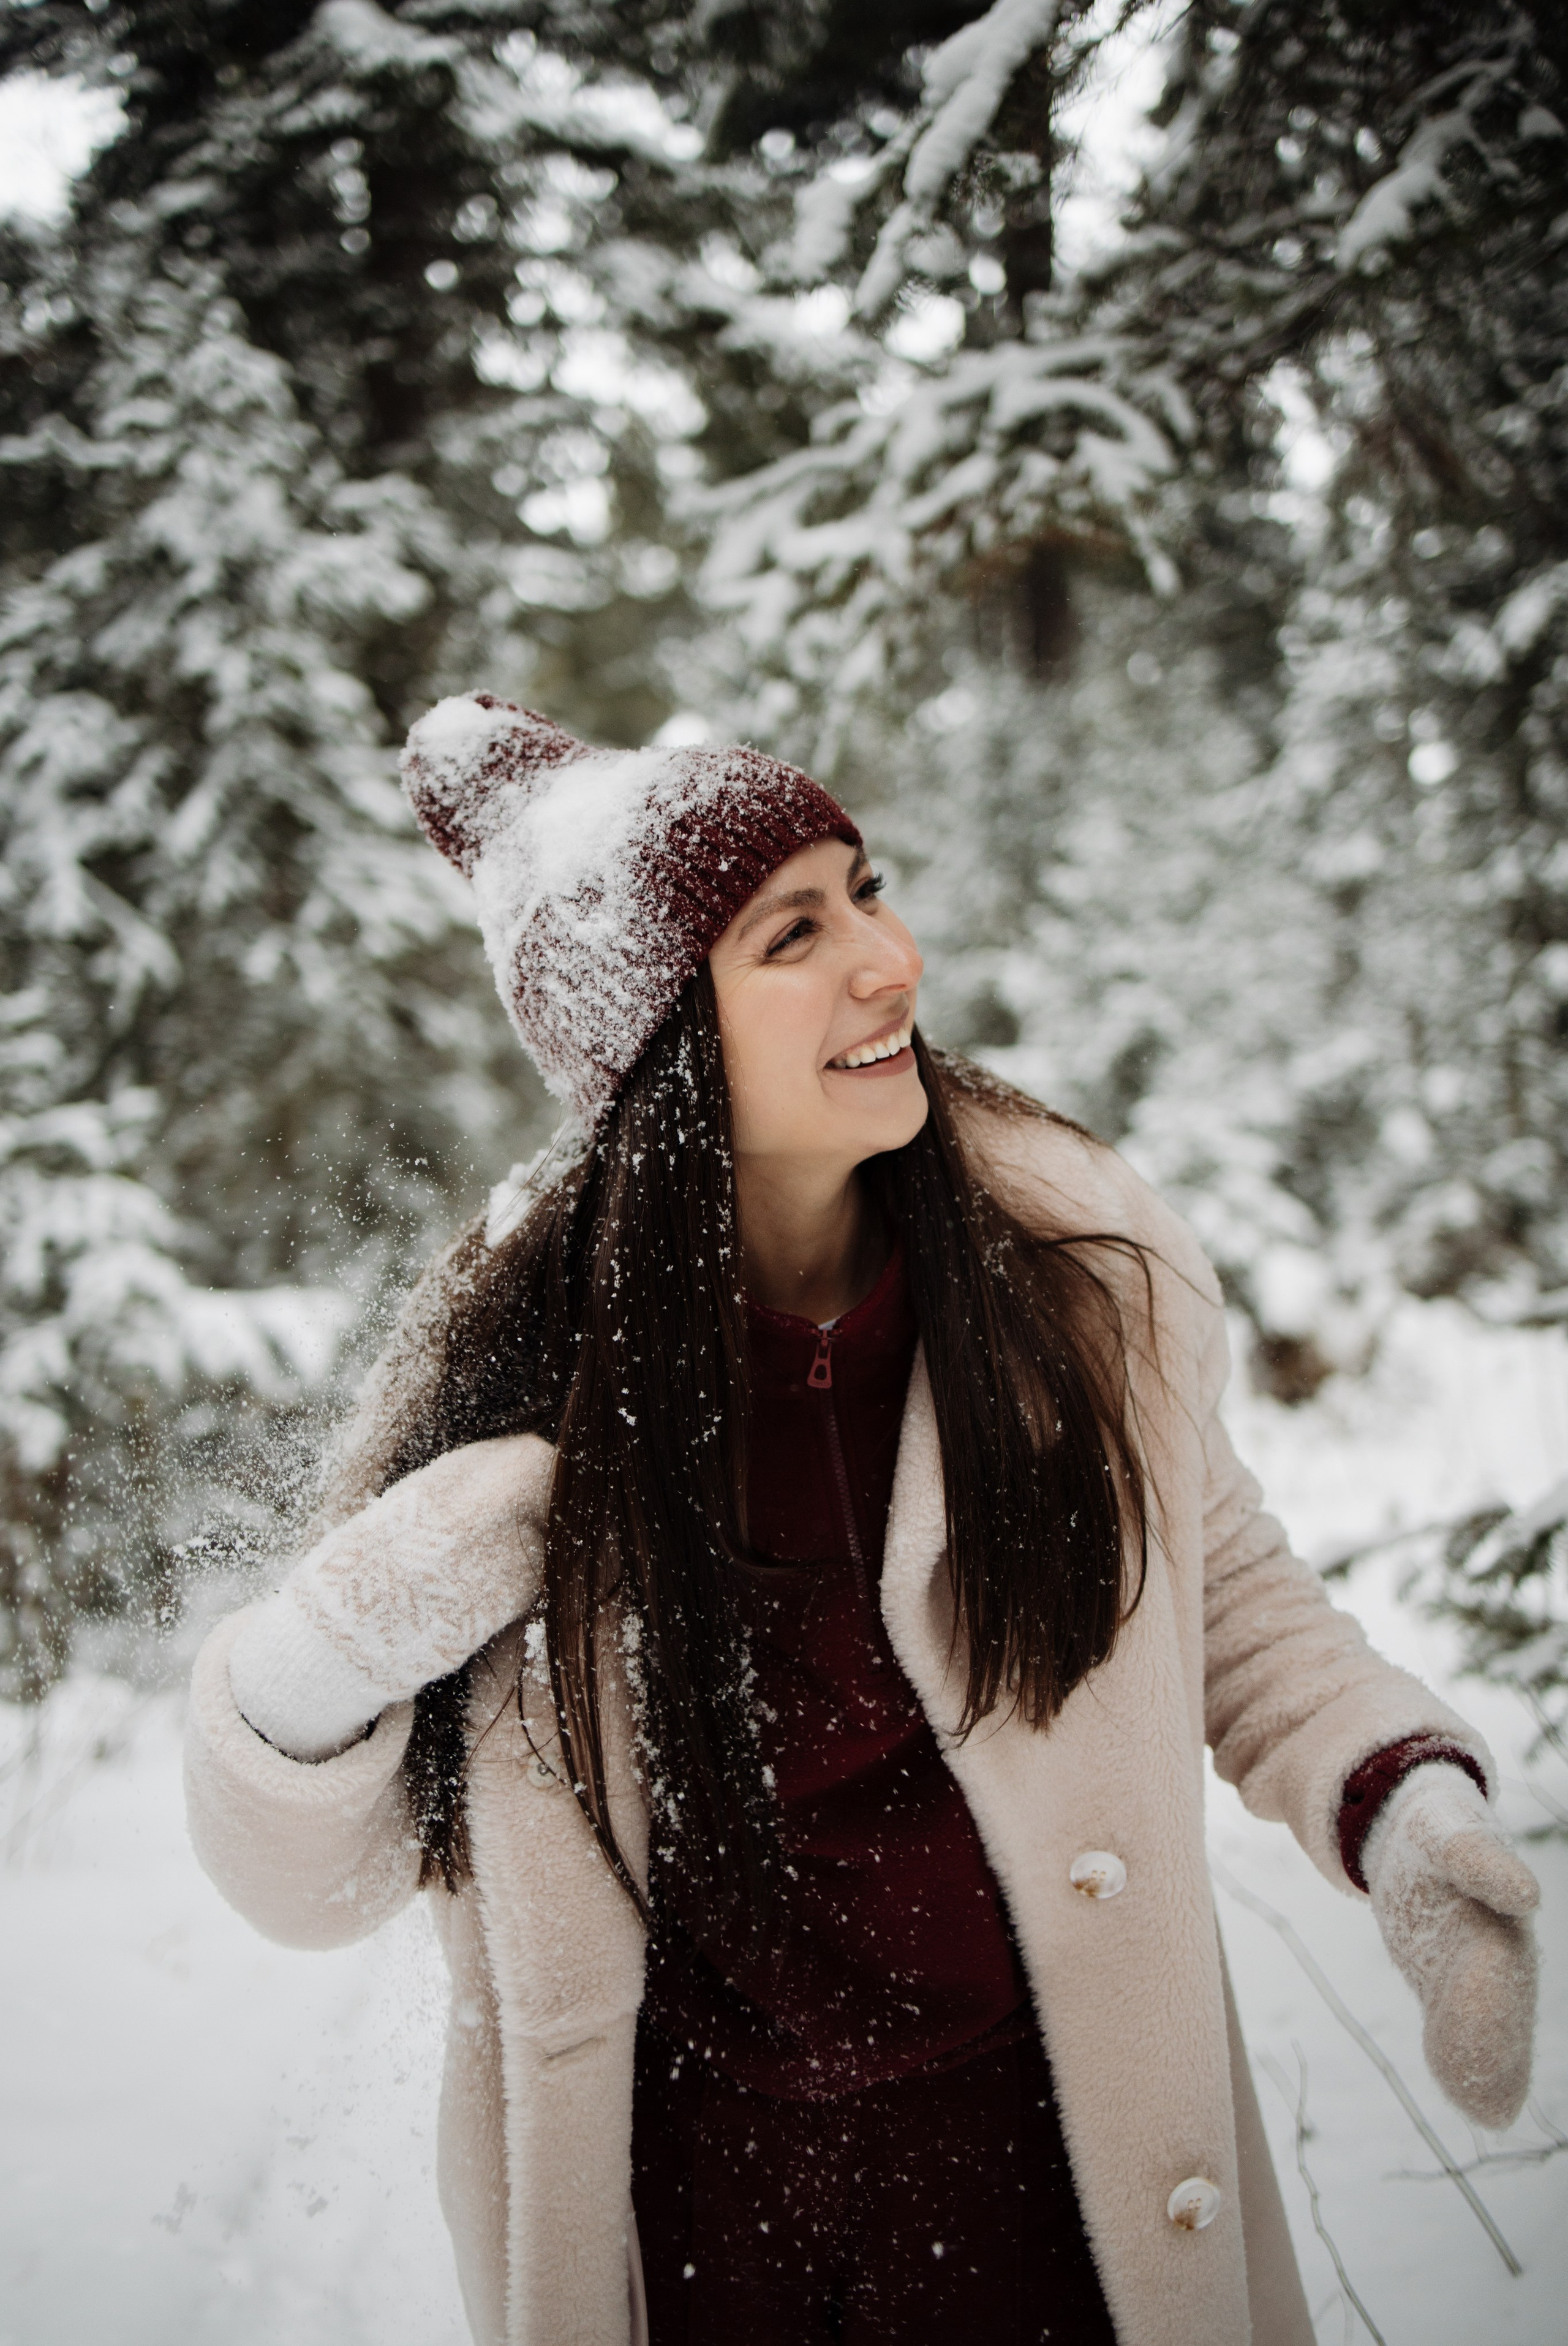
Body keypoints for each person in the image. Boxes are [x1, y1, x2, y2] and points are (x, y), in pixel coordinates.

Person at [185, 694, 1540, 2346]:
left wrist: (1401, 1808)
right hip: (703, 2243)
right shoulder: (527, 1381)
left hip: (1060, 2192)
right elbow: (311, 1894)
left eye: (869, 892)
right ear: (664, 1044)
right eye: (795, 935)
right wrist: (327, 1657)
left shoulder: (1063, 1280)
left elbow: (1229, 1594)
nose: (890, 962)